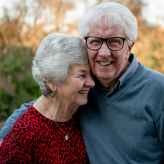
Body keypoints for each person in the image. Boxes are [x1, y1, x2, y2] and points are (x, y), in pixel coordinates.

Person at [0, 2, 164, 163]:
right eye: (95, 41)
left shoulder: (158, 90)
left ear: (129, 46)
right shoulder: (85, 86)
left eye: (114, 41)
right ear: (87, 44)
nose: (104, 53)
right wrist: (6, 140)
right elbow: (42, 105)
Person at [0, 33, 95, 163]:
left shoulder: (80, 115)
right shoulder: (25, 133)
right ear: (51, 81)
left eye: (91, 74)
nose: (91, 83)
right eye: (81, 75)